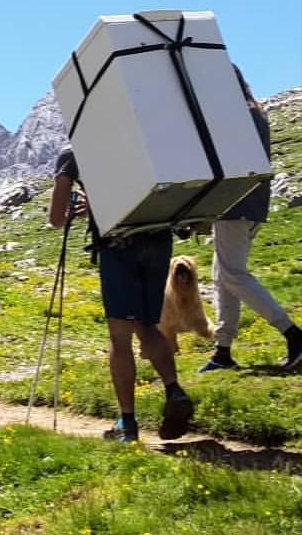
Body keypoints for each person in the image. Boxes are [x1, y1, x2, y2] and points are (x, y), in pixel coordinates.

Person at [50, 150, 193, 443]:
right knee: (147, 326)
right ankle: (173, 390)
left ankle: (126, 423)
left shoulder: (73, 154)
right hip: (157, 236)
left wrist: (76, 205)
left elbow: (55, 218)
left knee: (120, 336)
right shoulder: (135, 136)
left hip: (118, 245)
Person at [201, 67, 302, 373]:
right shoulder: (253, 112)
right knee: (222, 275)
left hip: (235, 202)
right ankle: (223, 351)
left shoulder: (235, 116)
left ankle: (293, 335)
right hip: (251, 202)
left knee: (232, 275)